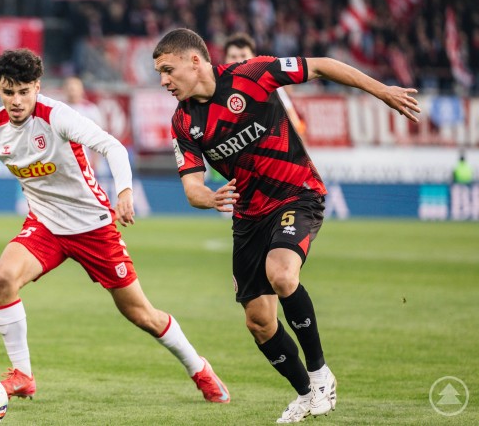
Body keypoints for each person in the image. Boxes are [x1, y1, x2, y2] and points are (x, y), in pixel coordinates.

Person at [0, 48, 229, 403]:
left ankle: (200, 369)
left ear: (37, 87)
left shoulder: (57, 116)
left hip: (93, 226)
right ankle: (23, 374)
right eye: (9, 92)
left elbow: (112, 146)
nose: (17, 100)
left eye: (24, 91)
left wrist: (125, 192)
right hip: (45, 225)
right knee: (2, 279)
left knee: (140, 314)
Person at [152, 28, 420, 423]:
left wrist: (381, 91)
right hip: (248, 218)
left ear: (195, 60)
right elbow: (192, 186)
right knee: (259, 322)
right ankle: (308, 393)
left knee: (281, 273)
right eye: (160, 74)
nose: (163, 81)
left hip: (297, 194)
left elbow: (324, 66)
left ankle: (320, 373)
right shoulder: (183, 122)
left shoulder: (252, 74)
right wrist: (208, 198)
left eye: (168, 70)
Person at [223, 33, 306, 138]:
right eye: (233, 56)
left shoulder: (269, 84)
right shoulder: (218, 88)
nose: (239, 61)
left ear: (253, 57)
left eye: (243, 56)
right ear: (225, 59)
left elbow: (292, 119)